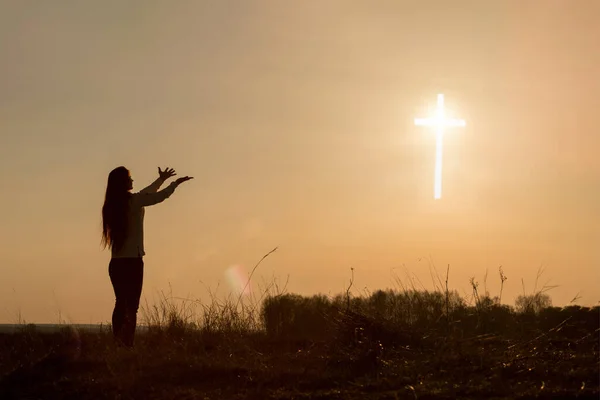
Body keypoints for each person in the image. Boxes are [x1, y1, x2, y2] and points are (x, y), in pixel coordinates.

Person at [101, 166, 193, 347]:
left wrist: (161, 180)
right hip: (132, 263)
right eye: (129, 178)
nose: (132, 181)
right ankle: (127, 344)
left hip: (116, 263)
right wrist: (174, 184)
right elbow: (157, 197)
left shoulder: (114, 204)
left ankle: (118, 342)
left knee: (120, 304)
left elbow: (146, 193)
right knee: (131, 307)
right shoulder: (132, 202)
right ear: (123, 182)